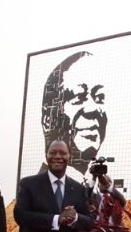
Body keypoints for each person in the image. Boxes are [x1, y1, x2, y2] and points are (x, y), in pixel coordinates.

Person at [41, 51, 108, 183]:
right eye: (78, 98)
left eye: (99, 97)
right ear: (48, 120)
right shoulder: (34, 187)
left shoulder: (90, 186)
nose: (93, 109)